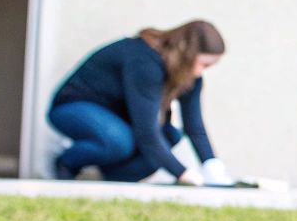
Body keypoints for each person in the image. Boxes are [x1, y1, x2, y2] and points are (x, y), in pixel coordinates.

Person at [48, 20, 233, 186]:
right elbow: (147, 132)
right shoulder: (144, 60)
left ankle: (112, 179)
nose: (201, 72)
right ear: (187, 53)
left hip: (120, 122)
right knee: (120, 142)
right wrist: (182, 173)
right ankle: (67, 161)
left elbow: (194, 127)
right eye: (204, 64)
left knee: (170, 136)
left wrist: (213, 169)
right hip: (73, 107)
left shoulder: (190, 77)